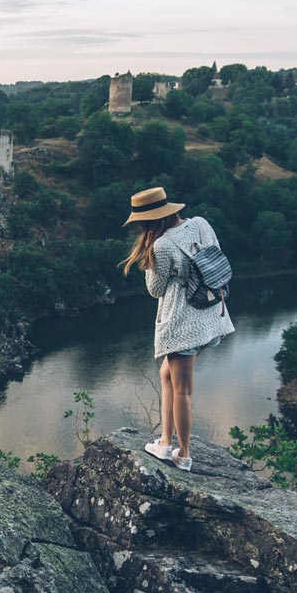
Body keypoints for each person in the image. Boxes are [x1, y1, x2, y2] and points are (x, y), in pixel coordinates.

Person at [119, 186, 233, 471]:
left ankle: (183, 454)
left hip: (183, 326)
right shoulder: (200, 224)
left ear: (148, 221)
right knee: (165, 374)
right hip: (209, 316)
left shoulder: (161, 246)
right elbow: (215, 257)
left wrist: (149, 256)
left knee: (182, 390)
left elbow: (155, 290)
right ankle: (165, 441)